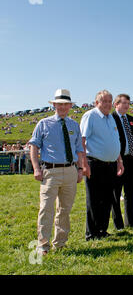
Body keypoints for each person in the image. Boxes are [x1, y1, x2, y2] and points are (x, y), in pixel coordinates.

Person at [29, 89, 84, 255]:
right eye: (59, 104)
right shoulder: (43, 124)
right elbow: (33, 146)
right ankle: (43, 246)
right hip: (50, 172)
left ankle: (60, 243)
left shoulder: (74, 125)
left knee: (64, 210)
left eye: (65, 104)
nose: (62, 107)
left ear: (69, 106)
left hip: (70, 171)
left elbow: (79, 149)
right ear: (54, 105)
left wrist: (80, 169)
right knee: (46, 209)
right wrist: (36, 168)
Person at [80, 90, 124, 241]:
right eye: (104, 101)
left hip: (110, 164)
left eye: (109, 101)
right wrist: (84, 164)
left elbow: (115, 141)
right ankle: (91, 233)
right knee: (94, 199)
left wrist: (119, 161)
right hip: (95, 163)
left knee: (107, 199)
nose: (107, 104)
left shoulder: (111, 118)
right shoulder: (90, 116)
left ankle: (102, 230)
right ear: (96, 102)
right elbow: (82, 140)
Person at [111, 94, 133, 229]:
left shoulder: (132, 120)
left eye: (128, 103)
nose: (126, 105)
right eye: (124, 103)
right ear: (116, 104)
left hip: (131, 161)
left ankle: (131, 222)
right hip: (117, 161)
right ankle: (118, 225)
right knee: (116, 193)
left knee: (131, 193)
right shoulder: (111, 119)